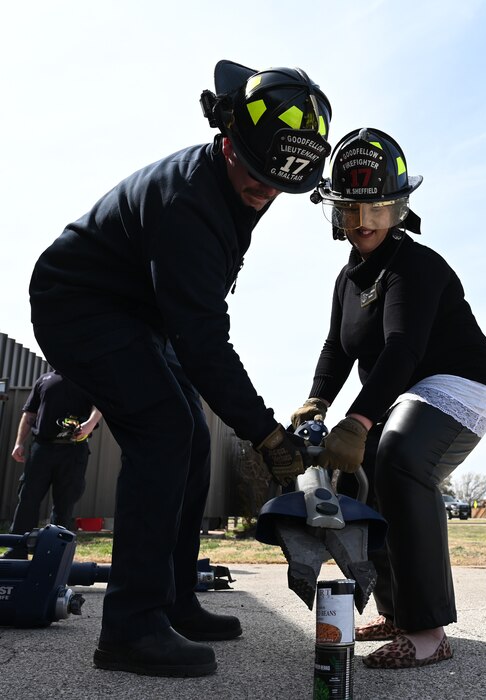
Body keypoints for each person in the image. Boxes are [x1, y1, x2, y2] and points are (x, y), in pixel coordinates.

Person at [28, 60, 332, 677]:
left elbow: (195, 323)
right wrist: (266, 432)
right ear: (227, 143)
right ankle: (130, 630)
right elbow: (203, 341)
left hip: (138, 314)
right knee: (164, 429)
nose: (264, 193)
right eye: (256, 177)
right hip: (78, 304)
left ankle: (173, 600)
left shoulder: (242, 184)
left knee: (189, 437)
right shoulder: (190, 202)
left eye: (280, 185)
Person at [291, 127, 486, 669]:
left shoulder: (415, 264)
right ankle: (396, 609)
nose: (363, 222)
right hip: (406, 389)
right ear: (335, 210)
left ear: (399, 208)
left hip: (460, 383)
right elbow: (337, 348)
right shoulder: (347, 278)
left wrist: (359, 421)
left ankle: (430, 632)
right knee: (363, 480)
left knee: (400, 458)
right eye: (350, 209)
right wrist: (317, 402)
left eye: (377, 208)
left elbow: (402, 348)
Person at [2, 370, 101, 560]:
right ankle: (17, 549)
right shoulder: (44, 380)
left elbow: (100, 406)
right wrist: (18, 443)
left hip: (73, 450)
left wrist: (89, 424)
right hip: (42, 448)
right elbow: (29, 413)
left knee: (64, 504)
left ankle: (55, 554)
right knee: (27, 498)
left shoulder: (88, 377)